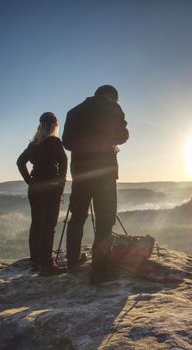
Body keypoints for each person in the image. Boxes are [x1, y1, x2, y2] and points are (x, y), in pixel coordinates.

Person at [62, 84, 129, 284]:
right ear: (112, 97)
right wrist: (105, 141)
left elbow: (66, 142)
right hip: (105, 173)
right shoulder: (113, 109)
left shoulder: (74, 111)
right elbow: (122, 136)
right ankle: (100, 270)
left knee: (77, 216)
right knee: (105, 221)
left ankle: (72, 261)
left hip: (81, 173)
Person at [17, 112, 68, 276]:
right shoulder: (55, 142)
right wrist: (60, 186)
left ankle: (35, 260)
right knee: (49, 225)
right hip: (51, 188)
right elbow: (63, 166)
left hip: (35, 188)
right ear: (54, 126)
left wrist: (29, 181)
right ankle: (47, 264)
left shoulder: (34, 145)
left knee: (37, 223)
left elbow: (20, 162)